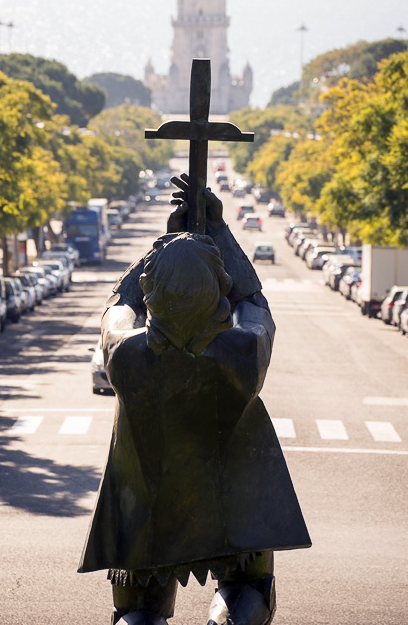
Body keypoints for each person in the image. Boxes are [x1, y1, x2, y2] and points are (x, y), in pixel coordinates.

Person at [78, 175, 311, 625]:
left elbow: (119, 305)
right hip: (234, 511)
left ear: (155, 296)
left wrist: (163, 245)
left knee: (137, 611)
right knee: (248, 595)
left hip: (145, 510)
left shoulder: (126, 356)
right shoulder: (242, 352)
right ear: (213, 292)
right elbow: (252, 299)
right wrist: (219, 234)